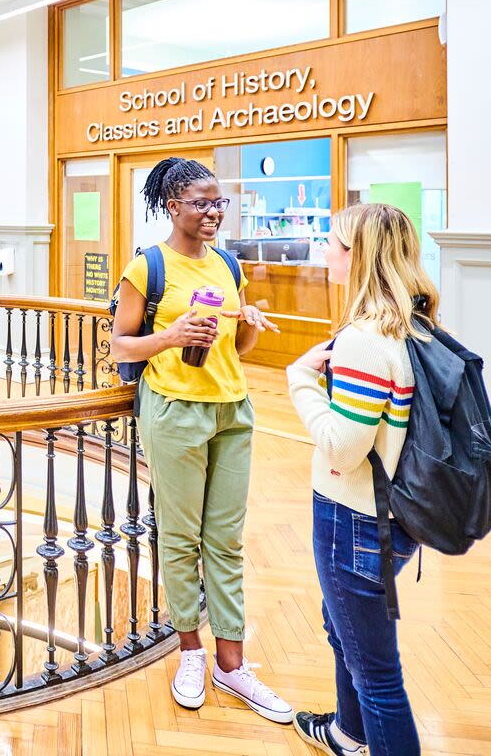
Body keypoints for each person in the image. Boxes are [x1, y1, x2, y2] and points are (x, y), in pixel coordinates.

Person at [111, 156, 293, 723]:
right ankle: (191, 652)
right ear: (174, 207)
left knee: (226, 540)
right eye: (202, 203)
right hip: (175, 415)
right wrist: (169, 336)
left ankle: (232, 665)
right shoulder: (148, 268)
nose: (214, 213)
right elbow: (120, 345)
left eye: (220, 203)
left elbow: (232, 354)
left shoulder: (229, 267)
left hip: (232, 413)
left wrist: (248, 329)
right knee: (181, 537)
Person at [287, 203, 439, 756]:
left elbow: (343, 449)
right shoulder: (418, 325)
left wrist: (300, 379)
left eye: (333, 242)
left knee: (377, 675)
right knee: (344, 629)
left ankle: (359, 730)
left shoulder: (362, 341)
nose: (325, 251)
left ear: (359, 257)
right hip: (397, 513)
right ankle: (348, 734)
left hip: (353, 517)